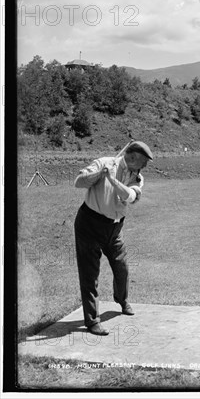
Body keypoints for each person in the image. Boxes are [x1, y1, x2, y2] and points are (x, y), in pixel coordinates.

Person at [73, 141, 153, 335]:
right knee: (90, 274)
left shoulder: (138, 177)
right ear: (132, 157)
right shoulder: (104, 163)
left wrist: (112, 180)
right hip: (89, 224)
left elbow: (129, 196)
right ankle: (92, 321)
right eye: (143, 162)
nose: (144, 167)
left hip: (115, 227)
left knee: (122, 267)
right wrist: (98, 174)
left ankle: (122, 300)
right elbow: (79, 181)